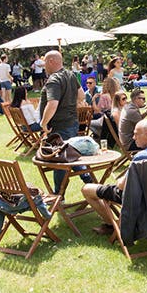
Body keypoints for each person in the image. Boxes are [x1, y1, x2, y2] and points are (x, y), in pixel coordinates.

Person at [80, 119, 147, 235]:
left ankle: (111, 225)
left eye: (136, 134)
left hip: (137, 199)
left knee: (86, 189)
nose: (133, 137)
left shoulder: (140, 157)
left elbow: (121, 186)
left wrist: (119, 181)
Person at [39, 50, 88, 191]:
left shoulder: (54, 80)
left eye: (45, 63)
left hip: (59, 126)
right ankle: (90, 180)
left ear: (51, 61)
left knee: (60, 160)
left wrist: (43, 123)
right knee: (71, 154)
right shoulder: (71, 75)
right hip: (72, 122)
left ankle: (58, 195)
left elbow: (52, 104)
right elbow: (81, 96)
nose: (44, 66)